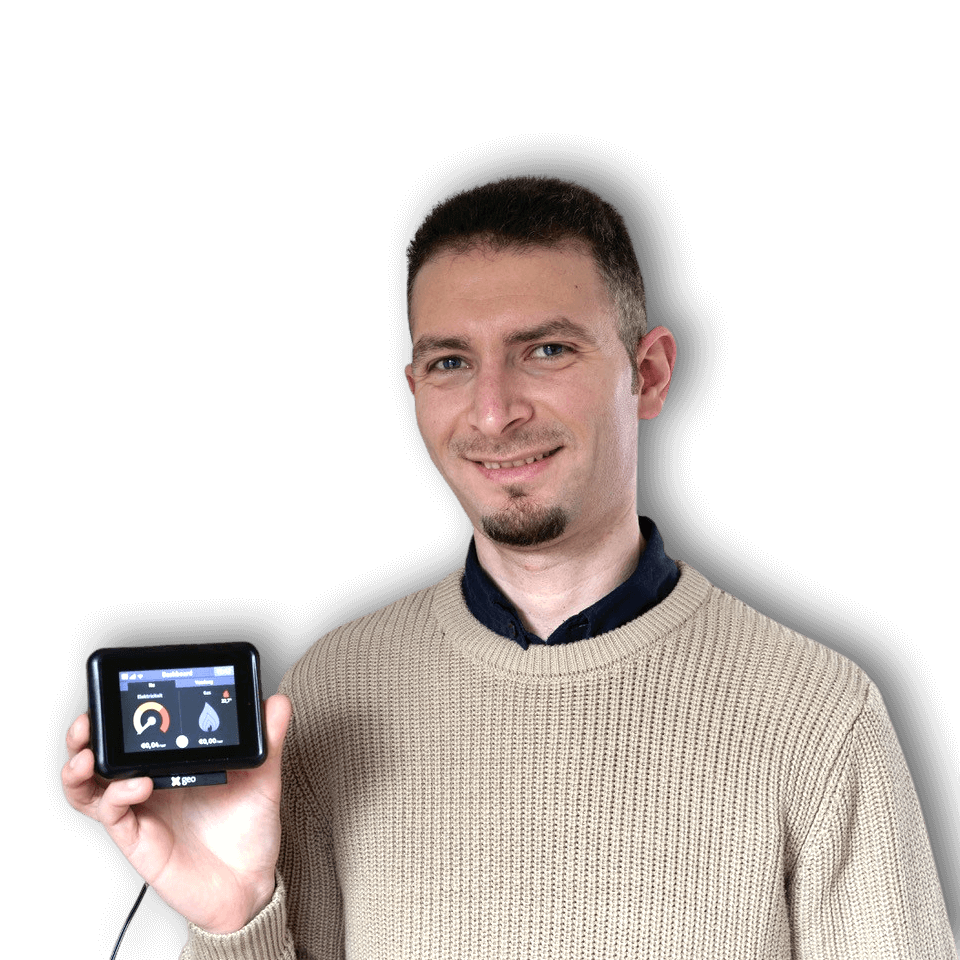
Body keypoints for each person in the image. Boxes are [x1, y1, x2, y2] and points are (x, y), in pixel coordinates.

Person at [63, 176, 956, 959]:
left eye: (546, 350)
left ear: (648, 374)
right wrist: (233, 922)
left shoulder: (819, 714)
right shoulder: (329, 693)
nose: (493, 413)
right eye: (451, 362)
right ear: (416, 390)